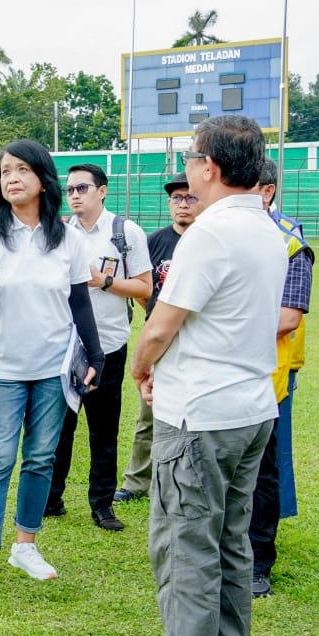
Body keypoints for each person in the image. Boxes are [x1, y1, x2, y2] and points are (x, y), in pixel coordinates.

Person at [126, 116, 287, 636]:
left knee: (186, 551)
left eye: (192, 158)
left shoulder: (210, 233)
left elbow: (162, 325)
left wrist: (143, 369)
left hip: (199, 415)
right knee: (229, 544)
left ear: (209, 167)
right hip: (249, 410)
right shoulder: (268, 228)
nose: (188, 171)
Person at [0, 139, 106, 602]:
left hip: (52, 369)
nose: (12, 179)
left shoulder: (68, 238)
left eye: (22, 170)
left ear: (43, 179)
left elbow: (80, 302)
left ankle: (26, 545)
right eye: (5, 171)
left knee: (42, 457)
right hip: (3, 366)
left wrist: (97, 356)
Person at [45, 163, 152, 531]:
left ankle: (102, 505)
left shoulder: (125, 233)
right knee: (60, 426)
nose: (75, 195)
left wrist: (103, 281)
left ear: (102, 191)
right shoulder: (58, 232)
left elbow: (144, 288)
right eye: (70, 189)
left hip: (107, 344)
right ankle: (51, 498)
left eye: (83, 188)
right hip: (65, 345)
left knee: (103, 429)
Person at [248, 158, 314, 598]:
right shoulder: (215, 232)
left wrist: (224, 325)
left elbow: (288, 316)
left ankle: (258, 563)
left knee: (261, 469)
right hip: (215, 373)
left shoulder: (290, 241)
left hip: (267, 375)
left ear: (266, 192)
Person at [116, 173, 194, 504]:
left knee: (193, 415)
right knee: (150, 412)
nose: (182, 205)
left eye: (190, 197)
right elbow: (143, 288)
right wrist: (158, 318)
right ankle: (136, 481)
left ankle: (181, 480)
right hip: (159, 339)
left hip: (195, 338)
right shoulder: (155, 242)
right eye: (176, 198)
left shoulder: (206, 240)